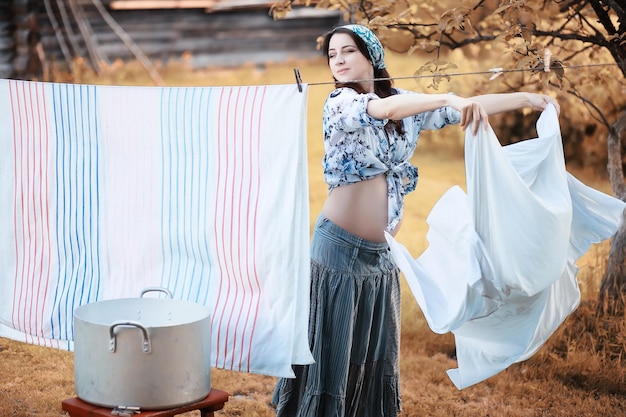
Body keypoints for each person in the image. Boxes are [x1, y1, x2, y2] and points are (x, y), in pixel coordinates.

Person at [272, 24, 560, 417]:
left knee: (371, 358)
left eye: (347, 52)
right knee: (332, 356)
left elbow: (463, 106)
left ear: (370, 55)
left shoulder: (404, 103)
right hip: (338, 250)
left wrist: (530, 98)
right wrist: (448, 96)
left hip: (384, 257)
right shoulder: (340, 103)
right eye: (332, 54)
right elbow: (384, 110)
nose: (337, 60)